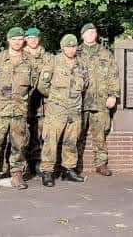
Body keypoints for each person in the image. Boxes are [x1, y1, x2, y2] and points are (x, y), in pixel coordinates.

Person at [0, 27, 37, 191]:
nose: (17, 42)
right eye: (14, 39)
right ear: (8, 40)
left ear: (24, 41)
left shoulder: (30, 61)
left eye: (20, 39)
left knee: (19, 145)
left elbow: (32, 86)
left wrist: (20, 100)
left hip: (19, 111)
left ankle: (17, 174)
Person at [37, 34, 89, 186]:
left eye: (73, 47)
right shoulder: (53, 62)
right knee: (51, 141)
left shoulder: (81, 64)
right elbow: (42, 85)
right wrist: (55, 98)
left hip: (74, 109)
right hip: (57, 110)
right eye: (68, 47)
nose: (71, 50)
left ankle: (69, 170)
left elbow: (85, 84)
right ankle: (47, 172)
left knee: (71, 141)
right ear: (62, 47)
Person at [77, 23, 120, 176]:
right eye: (87, 32)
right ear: (82, 35)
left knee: (100, 134)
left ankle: (101, 164)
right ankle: (74, 165)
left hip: (100, 101)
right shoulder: (75, 52)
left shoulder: (105, 53)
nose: (90, 34)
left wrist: (113, 95)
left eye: (93, 32)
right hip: (79, 101)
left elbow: (113, 75)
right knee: (76, 134)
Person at [24, 27, 47, 178]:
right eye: (30, 37)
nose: (33, 40)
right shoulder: (20, 55)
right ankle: (24, 166)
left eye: (35, 37)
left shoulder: (47, 57)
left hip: (42, 102)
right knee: (23, 134)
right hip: (24, 101)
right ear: (25, 39)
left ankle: (37, 163)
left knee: (39, 134)